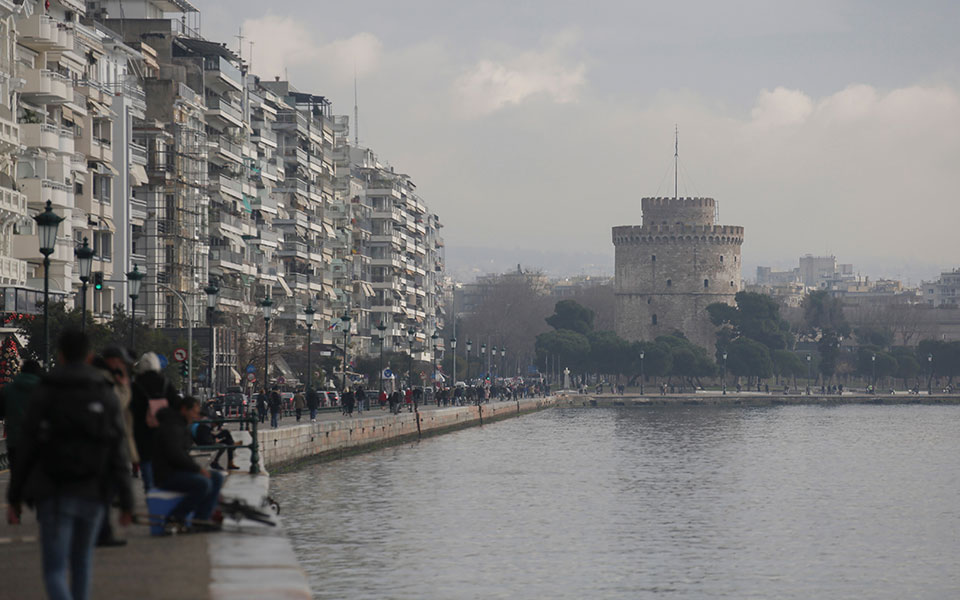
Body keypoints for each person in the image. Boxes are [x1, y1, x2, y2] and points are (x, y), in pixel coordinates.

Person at [7, 330, 134, 600]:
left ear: (60, 355)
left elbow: (28, 446)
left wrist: (14, 497)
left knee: (54, 569)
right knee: (82, 563)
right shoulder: (104, 391)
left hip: (53, 490)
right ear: (89, 356)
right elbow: (117, 449)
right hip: (93, 490)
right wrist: (126, 499)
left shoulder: (45, 390)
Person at [153, 396, 224, 530]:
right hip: (167, 474)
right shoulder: (172, 426)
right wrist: (197, 470)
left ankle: (201, 519)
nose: (196, 416)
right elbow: (175, 454)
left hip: (178, 470)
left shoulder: (182, 425)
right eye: (194, 412)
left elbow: (183, 454)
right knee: (203, 484)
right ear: (184, 409)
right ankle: (175, 517)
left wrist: (196, 469)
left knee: (216, 477)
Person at [92, 347, 136, 548]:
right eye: (121, 362)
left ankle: (102, 532)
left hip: (94, 446)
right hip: (104, 446)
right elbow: (118, 406)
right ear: (113, 361)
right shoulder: (106, 382)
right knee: (103, 494)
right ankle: (100, 534)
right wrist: (124, 386)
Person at [130, 352, 179, 493]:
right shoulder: (165, 383)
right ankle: (161, 490)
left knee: (145, 460)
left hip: (142, 430)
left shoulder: (136, 385)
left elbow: (131, 407)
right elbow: (175, 404)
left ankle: (149, 490)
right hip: (163, 429)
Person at [0, 359, 43, 484]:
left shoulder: (8, 389)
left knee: (17, 475)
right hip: (37, 439)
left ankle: (15, 500)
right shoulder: (43, 389)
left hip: (15, 440)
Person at [192, 405, 239, 471]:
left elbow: (206, 434)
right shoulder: (201, 425)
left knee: (227, 437)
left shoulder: (201, 424)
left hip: (208, 439)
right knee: (225, 444)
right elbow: (203, 437)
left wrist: (213, 437)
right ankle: (219, 461)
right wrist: (214, 440)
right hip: (206, 443)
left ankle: (228, 461)